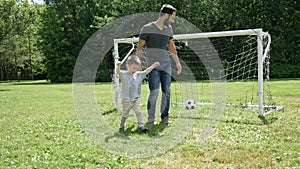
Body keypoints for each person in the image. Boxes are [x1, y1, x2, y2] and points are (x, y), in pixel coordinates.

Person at [136, 4, 182, 124]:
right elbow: (140, 47)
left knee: (166, 91)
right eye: (172, 18)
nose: (172, 21)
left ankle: (165, 117)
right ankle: (151, 118)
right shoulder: (147, 28)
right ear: (166, 15)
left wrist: (177, 63)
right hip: (153, 66)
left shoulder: (168, 29)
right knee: (154, 91)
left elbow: (171, 46)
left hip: (166, 65)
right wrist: (137, 63)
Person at [117, 55, 160, 133]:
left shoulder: (138, 75)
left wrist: (154, 65)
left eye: (136, 68)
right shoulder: (124, 75)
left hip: (135, 100)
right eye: (133, 68)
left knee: (139, 112)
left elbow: (146, 71)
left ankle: (141, 126)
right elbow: (118, 72)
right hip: (126, 100)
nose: (135, 70)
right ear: (127, 66)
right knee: (125, 115)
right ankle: (122, 125)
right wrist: (118, 66)